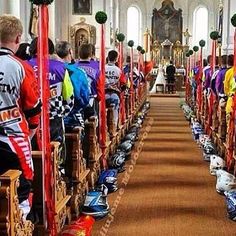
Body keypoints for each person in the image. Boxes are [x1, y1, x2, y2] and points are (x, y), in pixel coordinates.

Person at [0, 15, 41, 219]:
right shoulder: (21, 67)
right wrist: (30, 134)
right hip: (13, 139)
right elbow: (34, 111)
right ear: (18, 39)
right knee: (21, 192)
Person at [28, 37, 74, 166]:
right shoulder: (60, 68)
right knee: (56, 155)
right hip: (54, 119)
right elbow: (69, 97)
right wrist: (59, 113)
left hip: (29, 121)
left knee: (32, 155)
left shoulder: (25, 66)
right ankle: (58, 176)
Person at [55, 41, 90, 130]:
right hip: (72, 117)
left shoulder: (51, 70)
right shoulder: (78, 72)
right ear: (70, 51)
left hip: (53, 117)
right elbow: (85, 98)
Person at [105, 50, 126, 128]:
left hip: (105, 94)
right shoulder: (118, 70)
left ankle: (106, 127)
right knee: (115, 111)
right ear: (116, 58)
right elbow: (124, 84)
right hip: (114, 94)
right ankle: (114, 126)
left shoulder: (103, 68)